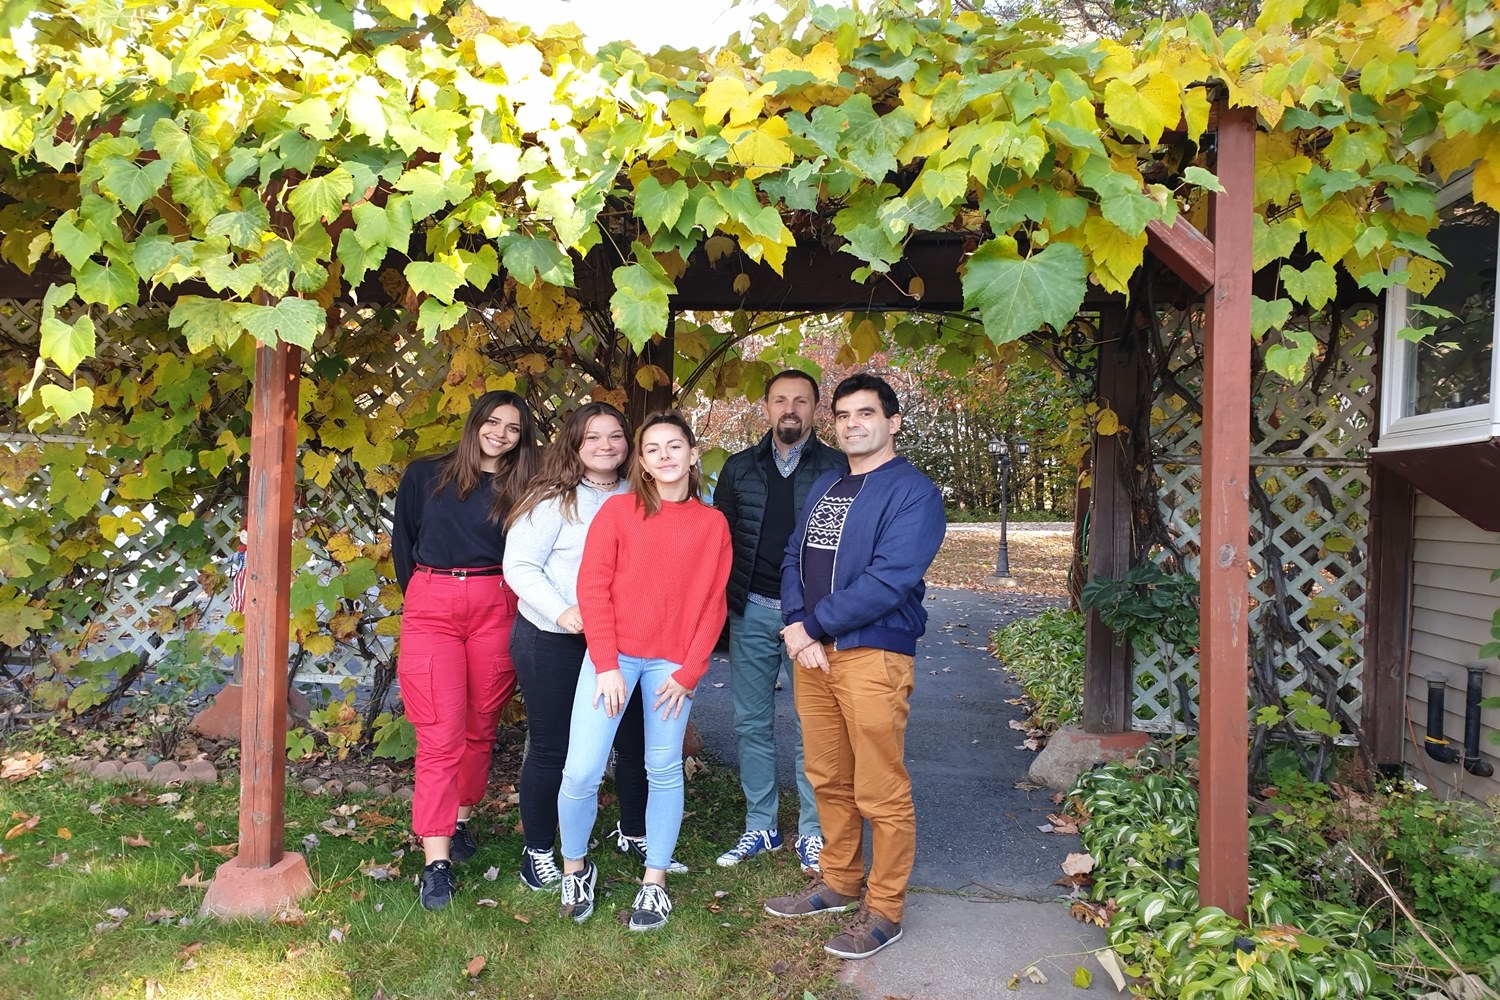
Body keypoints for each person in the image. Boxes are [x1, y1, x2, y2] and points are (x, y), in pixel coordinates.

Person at [763, 373, 945, 960]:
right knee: (827, 777)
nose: (851, 424)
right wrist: (797, 624)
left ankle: (885, 908)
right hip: (813, 657)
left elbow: (891, 579)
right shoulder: (825, 484)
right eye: (842, 415)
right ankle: (840, 881)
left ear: (892, 422)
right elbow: (792, 556)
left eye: (865, 413)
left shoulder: (913, 492)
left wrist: (813, 625)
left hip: (873, 654)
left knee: (880, 787)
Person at [555, 412, 732, 931]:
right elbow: (593, 587)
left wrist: (690, 673)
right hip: (615, 657)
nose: (664, 456)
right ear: (643, 463)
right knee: (582, 769)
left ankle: (654, 882)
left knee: (663, 769)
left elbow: (713, 606)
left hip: (672, 664)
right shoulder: (618, 511)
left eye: (674, 445)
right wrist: (606, 664)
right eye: (652, 449)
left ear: (693, 454)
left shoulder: (711, 524)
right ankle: (575, 868)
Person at [503, 403, 685, 893]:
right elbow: (518, 566)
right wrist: (562, 610)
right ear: (574, 445)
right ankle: (540, 848)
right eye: (592, 438)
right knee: (552, 747)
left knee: (634, 743)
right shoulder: (552, 498)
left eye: (616, 436)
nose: (606, 446)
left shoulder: (643, 493)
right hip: (554, 639)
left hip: (627, 644)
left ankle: (635, 831)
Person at [392, 390, 540, 911]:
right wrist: (429, 596)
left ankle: (459, 821)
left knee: (480, 727)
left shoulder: (526, 485)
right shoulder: (424, 476)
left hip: (497, 602)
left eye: (514, 428)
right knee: (439, 733)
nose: (500, 434)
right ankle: (436, 864)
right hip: (433, 603)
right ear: (475, 422)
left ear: (523, 438)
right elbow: (403, 546)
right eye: (493, 422)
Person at [713, 369, 845, 873]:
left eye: (801, 401)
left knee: (815, 725)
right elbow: (721, 540)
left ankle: (813, 831)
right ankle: (760, 826)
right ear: (766, 408)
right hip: (751, 612)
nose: (789, 409)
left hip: (811, 622)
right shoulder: (739, 468)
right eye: (779, 400)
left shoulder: (837, 467)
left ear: (816, 408)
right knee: (752, 723)